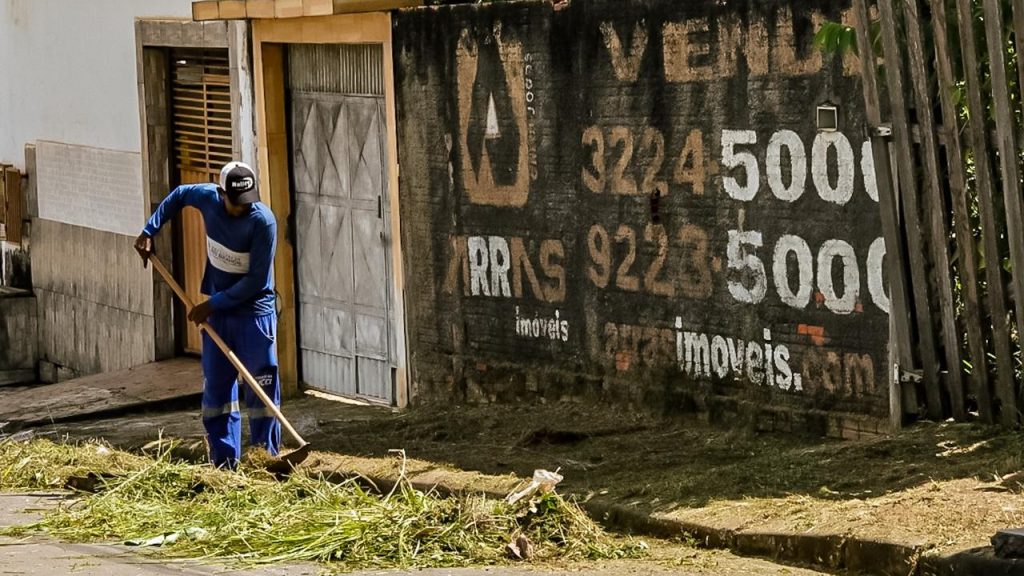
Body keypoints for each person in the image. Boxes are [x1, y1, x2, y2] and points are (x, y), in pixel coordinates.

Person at [134, 161, 279, 469]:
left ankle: (265, 460)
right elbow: (179, 195)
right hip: (218, 315)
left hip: (254, 315)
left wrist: (211, 306)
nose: (241, 209)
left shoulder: (263, 221)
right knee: (218, 390)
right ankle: (224, 464)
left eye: (246, 202)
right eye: (234, 202)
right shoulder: (206, 198)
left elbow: (255, 281)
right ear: (220, 193)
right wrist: (150, 230)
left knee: (261, 387)